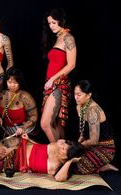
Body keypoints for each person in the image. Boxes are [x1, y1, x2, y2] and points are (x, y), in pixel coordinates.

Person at [0, 134, 83, 182]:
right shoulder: (57, 145)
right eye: (64, 146)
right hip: (17, 145)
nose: (61, 147)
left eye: (64, 150)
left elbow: (58, 178)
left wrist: (71, 161)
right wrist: (29, 139)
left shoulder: (58, 168)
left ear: (68, 157)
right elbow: (39, 147)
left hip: (14, 163)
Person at [40, 8, 77, 142]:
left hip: (58, 85)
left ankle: (58, 153)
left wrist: (53, 79)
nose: (51, 26)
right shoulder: (59, 38)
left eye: (54, 23)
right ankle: (64, 154)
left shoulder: (68, 38)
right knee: (56, 124)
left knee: (45, 124)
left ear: (62, 21)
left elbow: (71, 65)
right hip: (50, 84)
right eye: (49, 23)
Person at [72, 80, 118, 174]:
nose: (76, 97)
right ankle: (99, 164)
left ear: (89, 95)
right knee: (70, 158)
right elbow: (83, 128)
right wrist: (79, 140)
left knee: (77, 168)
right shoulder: (79, 107)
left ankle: (104, 166)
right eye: (74, 94)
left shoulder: (93, 111)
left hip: (105, 148)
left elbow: (93, 140)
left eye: (79, 94)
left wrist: (77, 146)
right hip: (91, 145)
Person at [0, 67, 38, 136]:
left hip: (23, 129)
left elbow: (34, 116)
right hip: (6, 129)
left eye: (15, 82)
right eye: (9, 82)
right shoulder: (1, 94)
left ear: (20, 83)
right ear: (5, 82)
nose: (12, 85)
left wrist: (23, 127)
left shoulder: (25, 97)